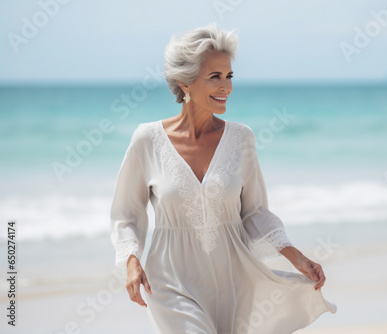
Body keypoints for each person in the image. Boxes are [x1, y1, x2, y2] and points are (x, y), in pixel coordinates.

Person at [109, 23, 336, 334]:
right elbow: (126, 213)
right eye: (214, 77)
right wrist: (131, 261)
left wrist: (294, 255)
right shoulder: (147, 139)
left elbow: (255, 212)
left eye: (229, 76)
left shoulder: (241, 138)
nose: (226, 87)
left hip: (233, 280)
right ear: (184, 83)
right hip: (171, 281)